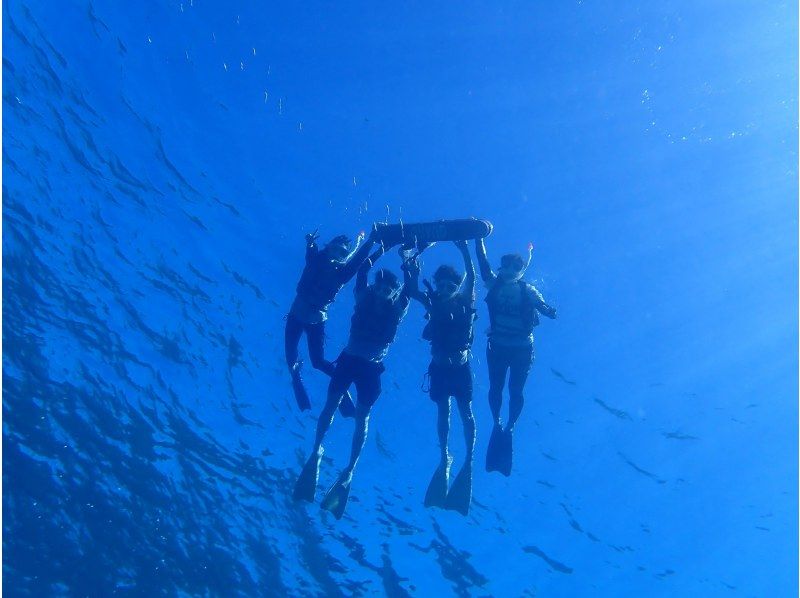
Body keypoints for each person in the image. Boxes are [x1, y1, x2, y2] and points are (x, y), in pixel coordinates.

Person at [293, 242, 411, 519]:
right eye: (380, 287)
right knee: (330, 407)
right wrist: (380, 247)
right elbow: (362, 271)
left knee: (363, 419)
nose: (383, 292)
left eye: (388, 290)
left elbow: (409, 289)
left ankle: (350, 469)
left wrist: (409, 261)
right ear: (374, 288)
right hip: (348, 361)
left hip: (371, 370)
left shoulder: (397, 308)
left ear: (393, 293)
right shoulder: (363, 296)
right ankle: (316, 450)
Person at [474, 238, 557, 476]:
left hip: (520, 348)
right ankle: (499, 423)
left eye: (516, 267)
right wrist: (478, 240)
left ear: (521, 270)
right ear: (501, 267)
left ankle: (508, 425)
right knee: (497, 388)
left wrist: (548, 311)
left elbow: (541, 304)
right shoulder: (494, 284)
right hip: (500, 346)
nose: (511, 270)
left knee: (514, 390)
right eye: (507, 266)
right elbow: (483, 264)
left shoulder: (527, 289)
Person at [406, 241, 477, 516]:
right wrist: (410, 266)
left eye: (451, 286)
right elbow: (412, 290)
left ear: (457, 288)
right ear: (436, 285)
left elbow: (472, 275)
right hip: (439, 369)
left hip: (460, 369)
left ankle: (468, 458)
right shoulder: (432, 301)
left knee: (466, 413)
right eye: (442, 285)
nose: (446, 290)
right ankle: (445, 454)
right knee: (443, 412)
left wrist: (466, 249)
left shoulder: (465, 300)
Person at [285, 227, 378, 415]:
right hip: (296, 315)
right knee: (291, 360)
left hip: (316, 320)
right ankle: (296, 378)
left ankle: (341, 384)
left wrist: (370, 242)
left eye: (342, 253)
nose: (336, 254)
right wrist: (310, 243)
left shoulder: (343, 273)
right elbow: (311, 252)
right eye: (335, 249)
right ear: (328, 248)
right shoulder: (316, 260)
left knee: (318, 362)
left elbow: (358, 260)